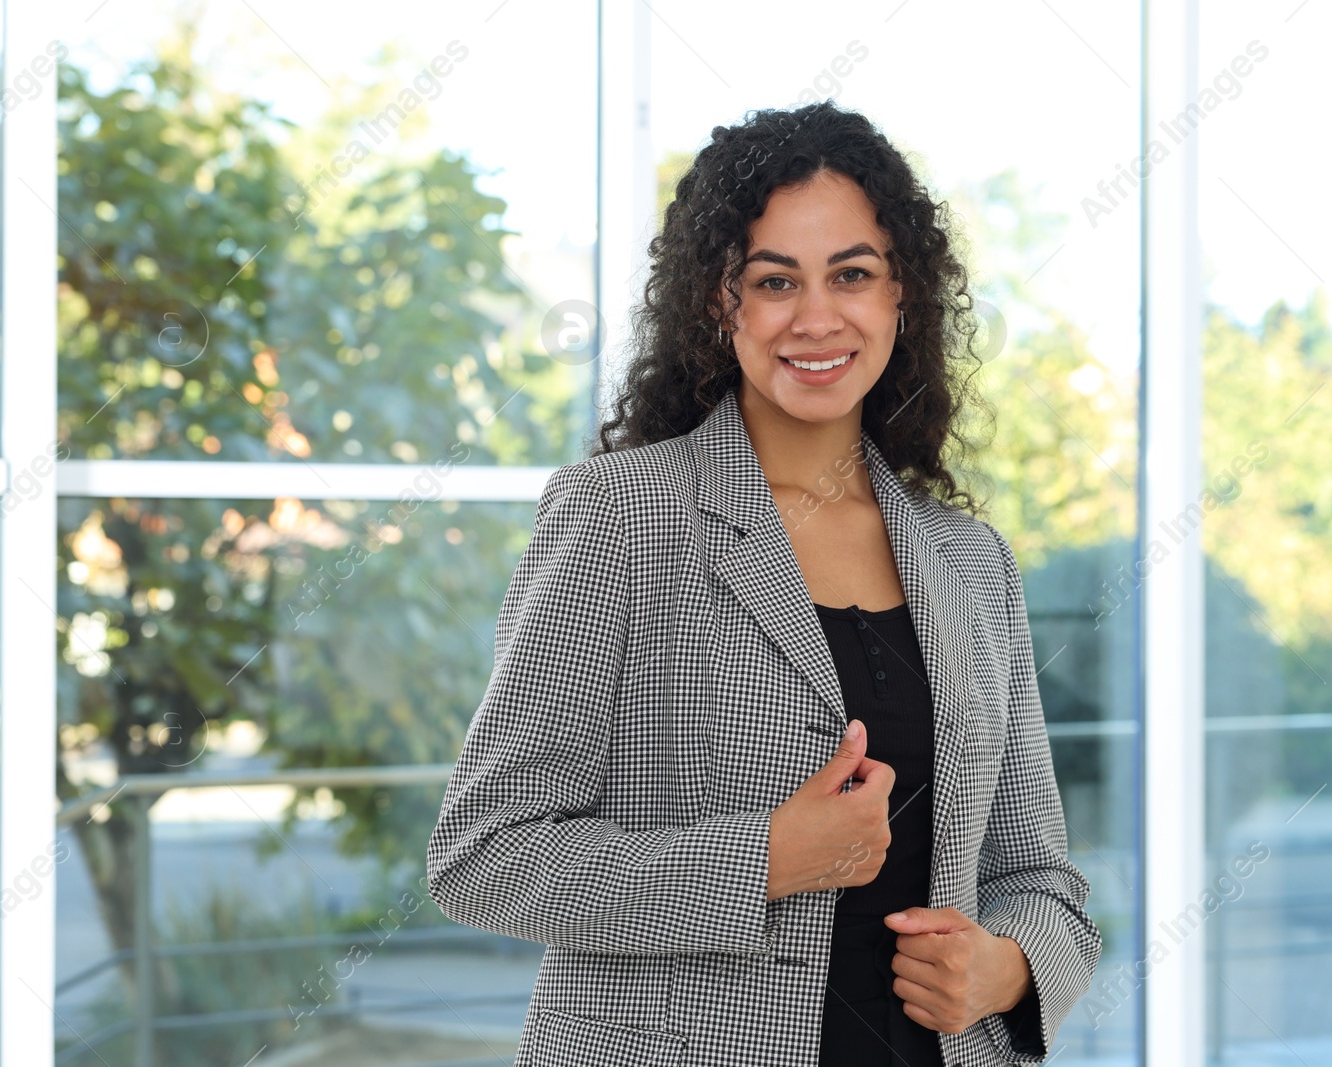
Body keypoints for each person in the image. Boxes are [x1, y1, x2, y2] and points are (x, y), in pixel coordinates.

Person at [426, 99, 1101, 1067]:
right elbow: (483, 857)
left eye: (852, 275)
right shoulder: (618, 519)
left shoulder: (968, 560)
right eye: (775, 280)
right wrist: (766, 859)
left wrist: (1007, 966)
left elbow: (1038, 874)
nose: (817, 317)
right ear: (718, 301)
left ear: (899, 294)